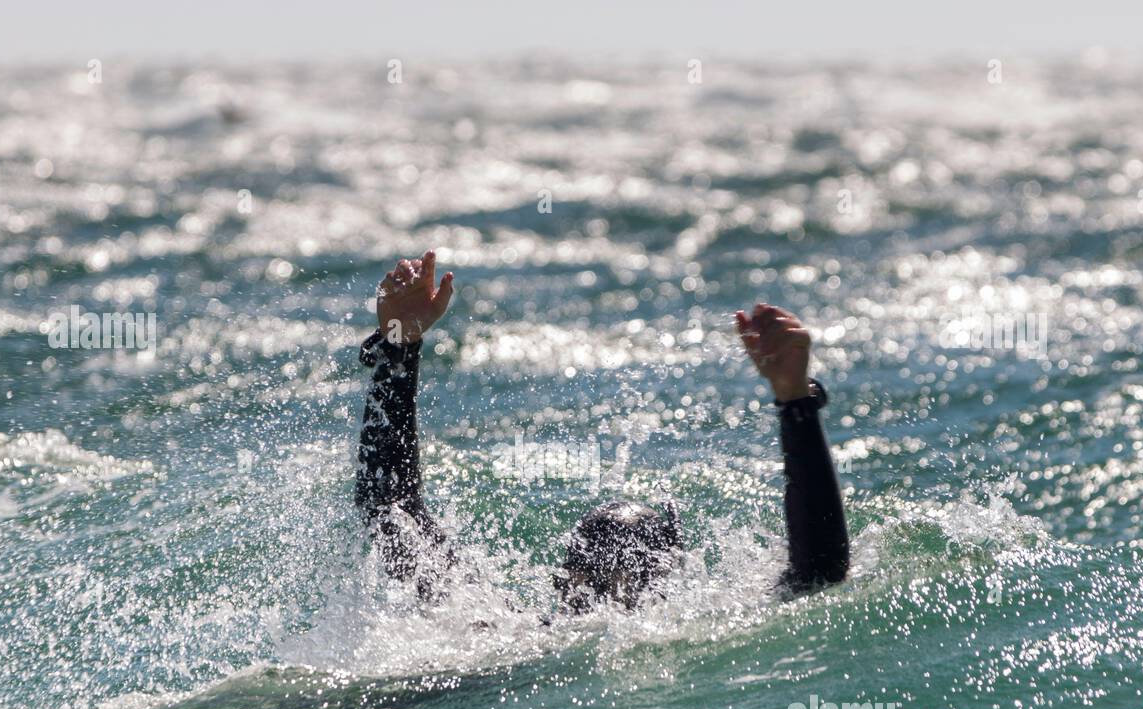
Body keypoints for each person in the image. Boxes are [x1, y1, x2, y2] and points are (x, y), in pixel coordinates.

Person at [355, 251, 849, 612]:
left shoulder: (507, 631)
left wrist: (399, 350)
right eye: (599, 580)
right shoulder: (697, 626)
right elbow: (819, 573)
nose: (610, 595)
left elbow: (390, 512)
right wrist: (794, 402)